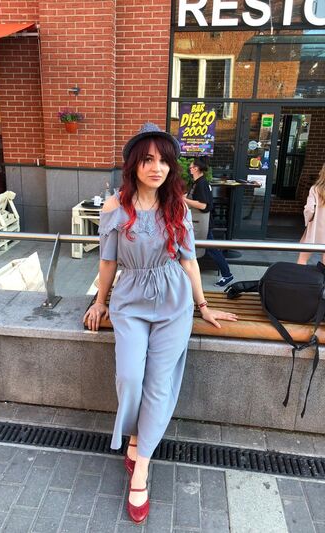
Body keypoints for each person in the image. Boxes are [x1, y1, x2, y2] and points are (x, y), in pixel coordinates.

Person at [83, 123, 237, 525]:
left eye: (164, 160)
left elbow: (189, 261)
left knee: (159, 383)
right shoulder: (115, 208)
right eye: (148, 160)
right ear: (134, 165)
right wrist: (100, 301)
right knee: (130, 377)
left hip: (173, 301)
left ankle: (142, 466)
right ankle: (136, 436)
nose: (157, 168)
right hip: (130, 300)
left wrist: (203, 305)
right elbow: (107, 263)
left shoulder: (178, 207)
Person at [184, 157, 234, 287]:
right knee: (208, 248)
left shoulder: (201, 184)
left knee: (211, 249)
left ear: (196, 169)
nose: (189, 168)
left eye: (191, 166)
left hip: (202, 223)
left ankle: (227, 274)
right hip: (200, 222)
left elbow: (203, 205)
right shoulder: (198, 182)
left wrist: (183, 200)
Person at [298, 163, 325, 265]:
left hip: (315, 228)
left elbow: (309, 209)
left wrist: (308, 222)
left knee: (303, 258)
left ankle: (300, 276)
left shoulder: (315, 189)